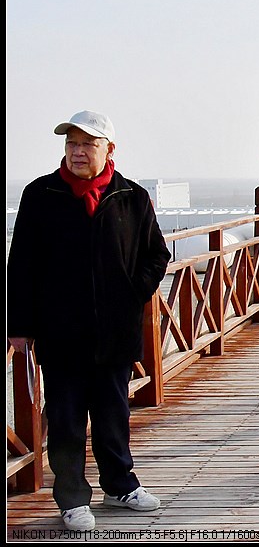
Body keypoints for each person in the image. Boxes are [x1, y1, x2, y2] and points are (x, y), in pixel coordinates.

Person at [6, 110, 171, 530]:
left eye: (87, 144)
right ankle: (72, 498)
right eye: (71, 144)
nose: (77, 152)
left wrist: (132, 294)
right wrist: (18, 327)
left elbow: (157, 255)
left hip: (115, 331)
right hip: (60, 332)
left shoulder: (132, 196)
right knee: (66, 421)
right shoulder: (40, 194)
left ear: (109, 149)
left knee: (114, 414)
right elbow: (20, 263)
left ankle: (120, 486)